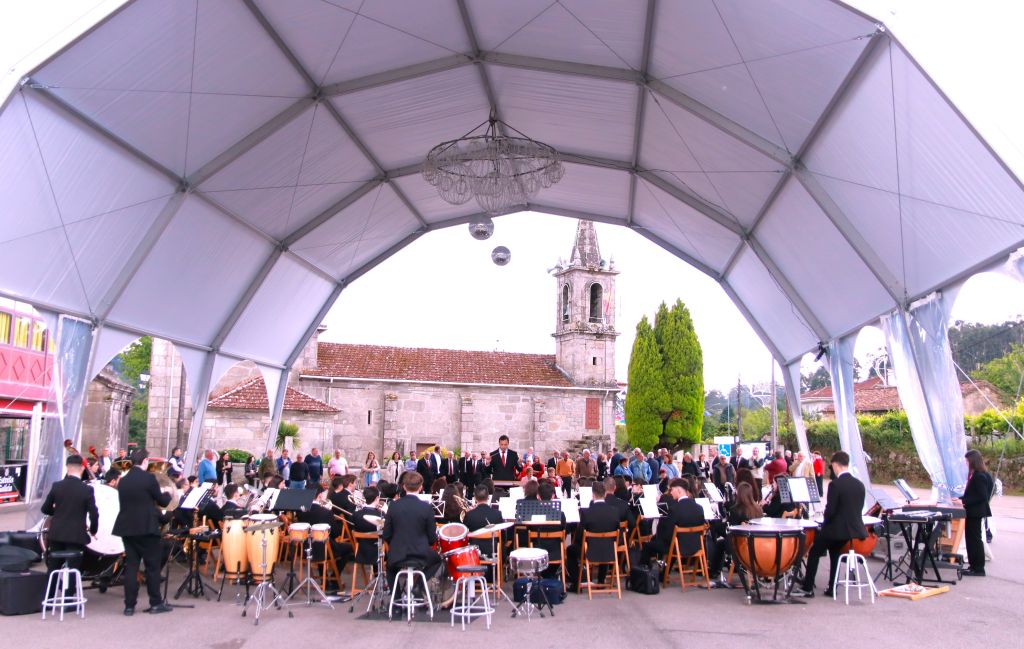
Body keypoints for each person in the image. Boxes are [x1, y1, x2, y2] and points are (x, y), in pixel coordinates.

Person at [796, 452, 867, 598]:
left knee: (815, 551)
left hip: (836, 529)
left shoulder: (835, 484)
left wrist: (823, 524)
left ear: (835, 465)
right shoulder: (859, 484)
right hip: (852, 531)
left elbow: (831, 511)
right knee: (835, 552)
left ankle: (808, 587)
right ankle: (832, 587)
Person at [112, 448, 173, 616]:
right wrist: (167, 493)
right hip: (146, 528)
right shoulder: (149, 479)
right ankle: (155, 603)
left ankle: (129, 606)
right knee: (152, 567)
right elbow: (162, 501)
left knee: (131, 566)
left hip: (127, 527)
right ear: (145, 461)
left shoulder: (123, 481)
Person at [40, 455, 99, 586]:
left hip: (56, 533)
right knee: (74, 568)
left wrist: (59, 512)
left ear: (67, 468)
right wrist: (93, 530)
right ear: (83, 468)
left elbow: (45, 509)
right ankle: (69, 599)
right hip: (76, 535)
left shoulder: (57, 486)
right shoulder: (87, 489)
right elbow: (94, 514)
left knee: (53, 566)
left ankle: (49, 597)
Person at [381, 472, 442, 588]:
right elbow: (432, 538)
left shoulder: (394, 506)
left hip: (397, 552)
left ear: (404, 486)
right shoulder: (427, 507)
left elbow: (386, 534)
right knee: (437, 560)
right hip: (420, 552)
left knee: (390, 567)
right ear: (421, 487)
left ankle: (396, 597)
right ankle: (418, 587)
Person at [640, 478, 705, 564]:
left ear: (679, 490)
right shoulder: (699, 508)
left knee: (648, 545)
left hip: (677, 547)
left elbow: (667, 534)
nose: (670, 492)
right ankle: (663, 572)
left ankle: (645, 572)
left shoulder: (674, 509)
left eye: (672, 489)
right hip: (696, 546)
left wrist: (656, 538)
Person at [954, 449, 993, 577]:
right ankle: (974, 566)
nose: (966, 463)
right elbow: (974, 494)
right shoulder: (982, 474)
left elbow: (982, 496)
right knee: (972, 539)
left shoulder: (979, 476)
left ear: (972, 461)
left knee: (974, 540)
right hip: (974, 511)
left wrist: (963, 502)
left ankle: (978, 568)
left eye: (967, 461)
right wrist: (960, 499)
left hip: (975, 512)